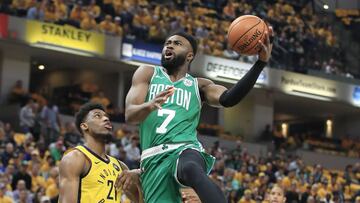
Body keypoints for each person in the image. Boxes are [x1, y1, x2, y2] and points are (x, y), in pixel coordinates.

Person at [124, 28, 273, 203]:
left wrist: (260, 63)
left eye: (177, 43)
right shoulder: (148, 73)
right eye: (167, 43)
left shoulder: (199, 85)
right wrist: (148, 106)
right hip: (153, 159)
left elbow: (229, 98)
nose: (169, 46)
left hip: (185, 149)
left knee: (190, 168)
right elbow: (130, 115)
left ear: (189, 56)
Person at [58, 103, 142, 202]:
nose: (106, 119)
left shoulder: (121, 167)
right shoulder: (75, 158)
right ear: (85, 126)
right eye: (98, 116)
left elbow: (140, 200)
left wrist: (138, 178)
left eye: (107, 117)